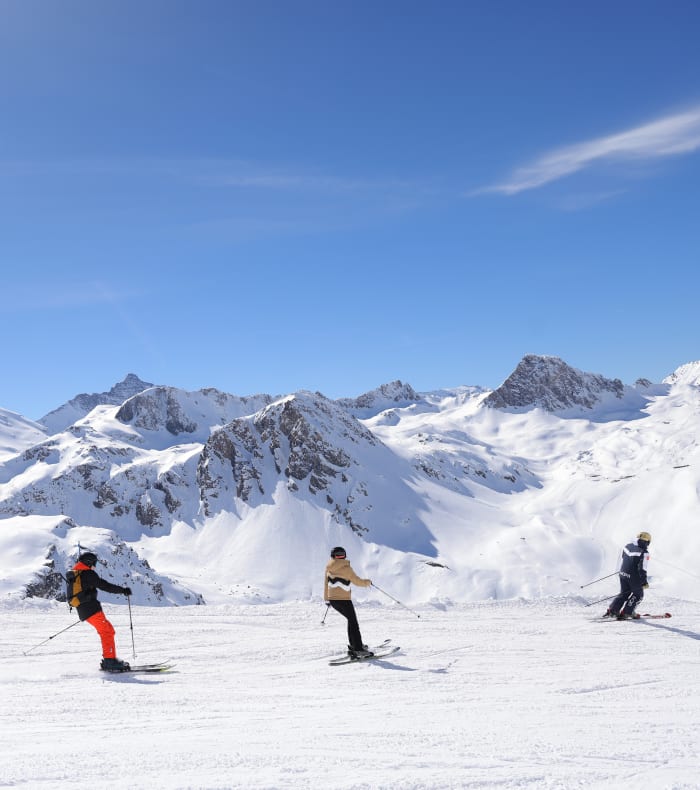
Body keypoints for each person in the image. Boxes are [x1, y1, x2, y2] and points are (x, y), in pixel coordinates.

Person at [66, 551, 133, 670]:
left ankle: (109, 659)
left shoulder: (77, 574)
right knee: (107, 631)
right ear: (88, 563)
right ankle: (110, 661)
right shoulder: (88, 573)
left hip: (85, 610)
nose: (94, 566)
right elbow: (104, 585)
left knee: (108, 630)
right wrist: (122, 590)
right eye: (94, 563)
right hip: (91, 609)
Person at [324, 546, 373, 658]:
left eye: (342, 555)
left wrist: (327, 598)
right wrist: (368, 582)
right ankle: (358, 649)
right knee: (353, 623)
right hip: (344, 600)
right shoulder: (346, 568)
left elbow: (326, 584)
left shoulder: (328, 567)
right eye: (339, 555)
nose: (341, 557)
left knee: (351, 621)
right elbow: (357, 581)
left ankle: (354, 645)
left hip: (333, 600)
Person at [605, 532, 652, 620]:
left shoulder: (627, 546)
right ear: (647, 542)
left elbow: (624, 557)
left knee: (624, 593)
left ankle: (613, 610)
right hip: (633, 577)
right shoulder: (644, 552)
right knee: (638, 594)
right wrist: (644, 582)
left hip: (623, 573)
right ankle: (627, 612)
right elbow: (642, 569)